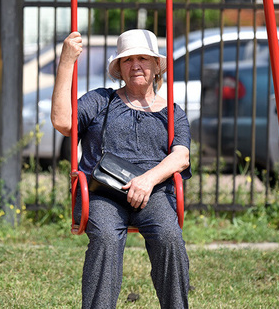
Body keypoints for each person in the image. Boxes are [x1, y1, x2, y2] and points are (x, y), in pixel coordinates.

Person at [51, 29, 191, 309]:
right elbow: (63, 122)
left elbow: (181, 156)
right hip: (104, 192)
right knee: (104, 238)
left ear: (155, 65)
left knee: (169, 237)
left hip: (152, 193)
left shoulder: (172, 112)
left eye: (143, 58)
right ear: (119, 68)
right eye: (128, 60)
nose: (136, 65)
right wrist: (66, 62)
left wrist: (148, 180)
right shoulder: (101, 101)